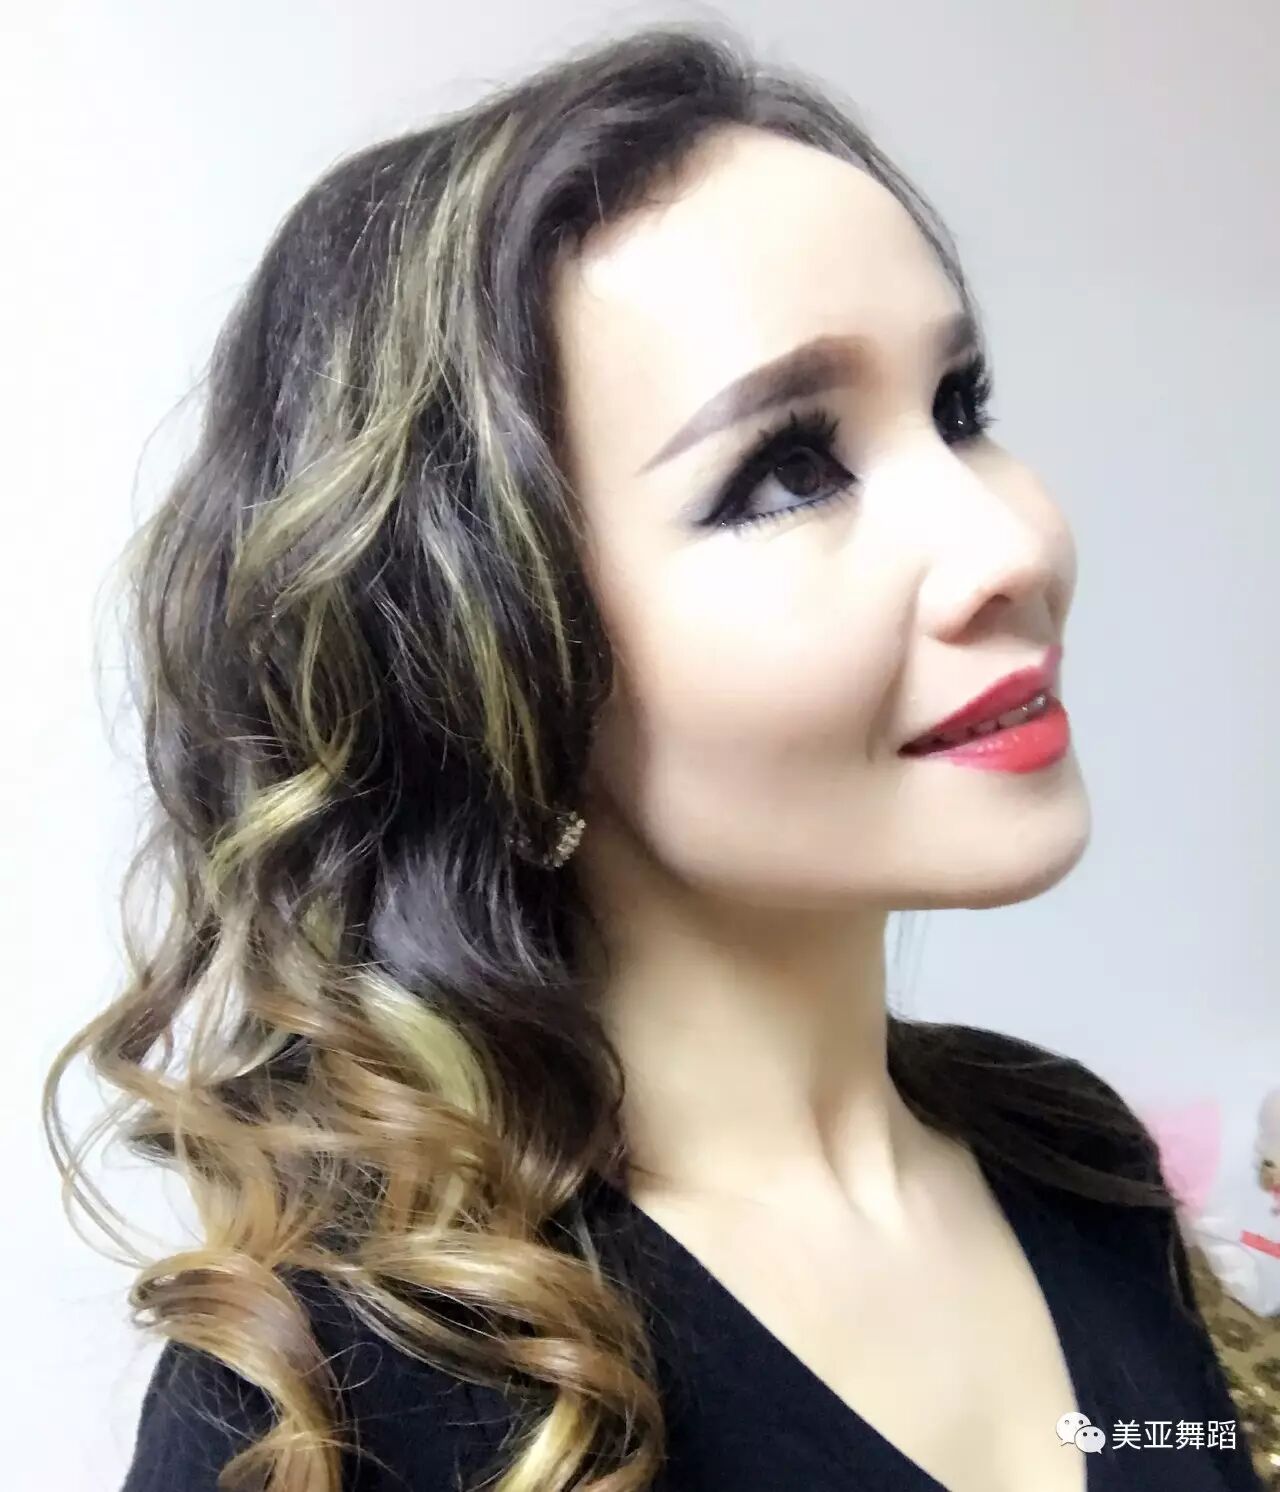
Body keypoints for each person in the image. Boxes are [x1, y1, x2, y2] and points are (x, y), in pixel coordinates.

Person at [45, 22, 1265, 1492]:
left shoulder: (1073, 1164)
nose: (1011, 542)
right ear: (492, 665)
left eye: (960, 409)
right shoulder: (344, 1400)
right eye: (788, 470)